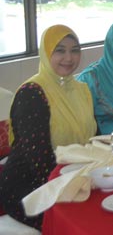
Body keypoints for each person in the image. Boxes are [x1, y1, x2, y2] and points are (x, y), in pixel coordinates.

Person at [0, 25, 96, 229]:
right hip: (31, 187)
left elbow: (92, 137)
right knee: (82, 222)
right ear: (46, 52)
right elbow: (39, 160)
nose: (69, 58)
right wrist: (73, 188)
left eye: (74, 50)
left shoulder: (81, 89)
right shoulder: (32, 93)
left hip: (72, 175)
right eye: (59, 50)